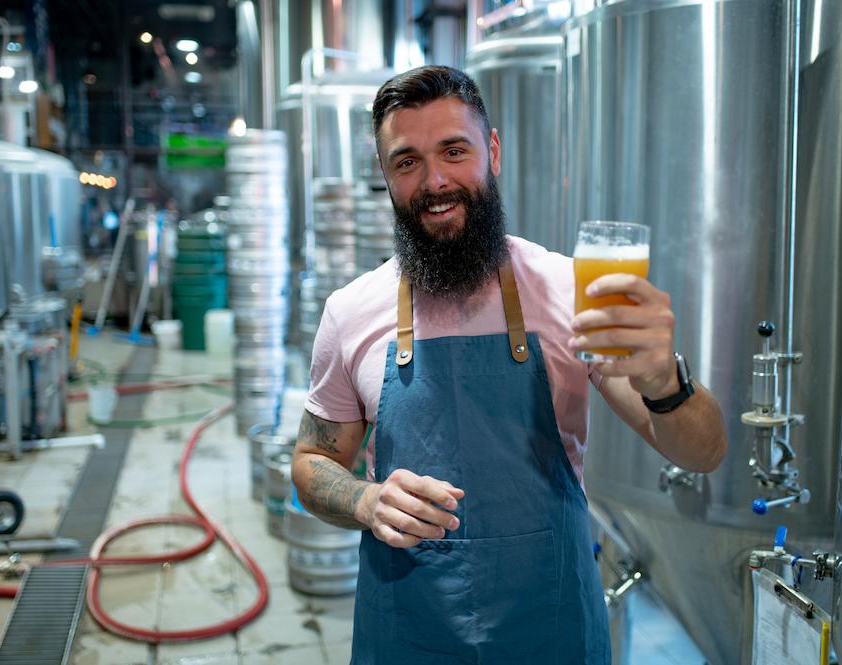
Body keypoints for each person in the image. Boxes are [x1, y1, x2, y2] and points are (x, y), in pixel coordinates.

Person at [291, 65, 727, 664]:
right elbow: (312, 463)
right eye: (407, 161)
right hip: (408, 632)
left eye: (454, 150)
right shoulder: (350, 312)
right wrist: (366, 501)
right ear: (385, 176)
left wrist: (665, 384)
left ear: (491, 151)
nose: (434, 181)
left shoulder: (570, 291)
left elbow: (701, 453)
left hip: (548, 628)